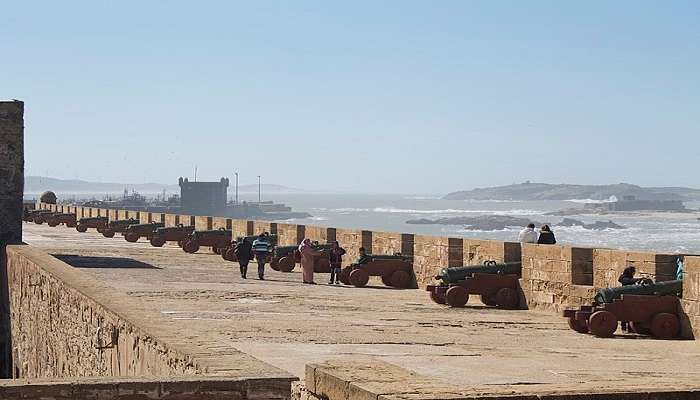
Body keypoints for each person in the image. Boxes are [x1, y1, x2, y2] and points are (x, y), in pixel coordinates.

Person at [618, 266, 641, 332]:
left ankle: (630, 329)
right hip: (625, 297)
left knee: (630, 313)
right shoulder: (624, 278)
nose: (634, 273)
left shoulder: (628, 277)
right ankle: (624, 328)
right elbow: (627, 281)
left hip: (630, 297)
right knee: (624, 314)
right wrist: (637, 280)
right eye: (633, 272)